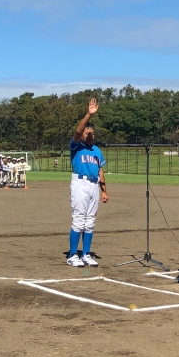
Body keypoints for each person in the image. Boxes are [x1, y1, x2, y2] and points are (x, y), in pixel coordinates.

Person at [67, 98, 109, 267]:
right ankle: (72, 255)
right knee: (79, 219)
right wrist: (89, 115)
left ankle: (85, 254)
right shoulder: (76, 146)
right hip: (80, 184)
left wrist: (104, 190)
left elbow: (100, 170)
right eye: (87, 133)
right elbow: (77, 132)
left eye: (92, 133)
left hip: (94, 185)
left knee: (90, 221)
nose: (90, 135)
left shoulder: (97, 151)